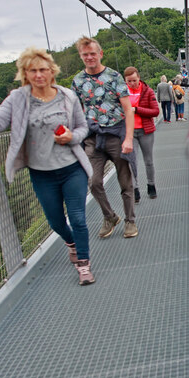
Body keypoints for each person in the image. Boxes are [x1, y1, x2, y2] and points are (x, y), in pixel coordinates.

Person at [0, 47, 96, 285]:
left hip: (71, 168)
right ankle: (71, 242)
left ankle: (84, 265)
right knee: (55, 221)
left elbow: (82, 127)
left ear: (51, 71)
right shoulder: (18, 98)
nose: (39, 75)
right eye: (32, 70)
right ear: (25, 73)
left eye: (43, 69)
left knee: (78, 218)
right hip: (42, 172)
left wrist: (71, 137)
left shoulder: (67, 97)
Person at [71, 36, 138, 239]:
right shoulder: (77, 81)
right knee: (94, 182)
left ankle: (130, 221)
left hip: (116, 134)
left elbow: (128, 109)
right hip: (93, 137)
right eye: (85, 55)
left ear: (100, 54)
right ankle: (110, 216)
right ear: (81, 57)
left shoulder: (114, 77)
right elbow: (75, 111)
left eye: (93, 53)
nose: (89, 57)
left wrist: (128, 139)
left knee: (125, 182)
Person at [125, 66, 160, 202]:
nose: (132, 83)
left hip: (146, 131)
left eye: (134, 80)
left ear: (139, 78)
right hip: (130, 131)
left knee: (148, 161)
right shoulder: (122, 93)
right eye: (129, 81)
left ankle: (151, 185)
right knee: (131, 161)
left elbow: (155, 111)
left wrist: (137, 109)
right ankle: (135, 189)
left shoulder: (148, 91)